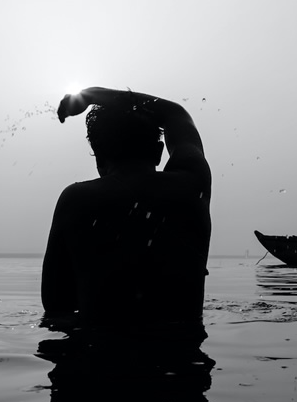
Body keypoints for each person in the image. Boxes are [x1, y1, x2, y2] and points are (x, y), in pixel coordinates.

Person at [42, 87, 211, 325]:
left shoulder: (76, 201)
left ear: (99, 158)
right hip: (183, 357)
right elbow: (175, 113)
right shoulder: (191, 186)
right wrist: (92, 94)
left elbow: (55, 305)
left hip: (96, 357)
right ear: (158, 152)